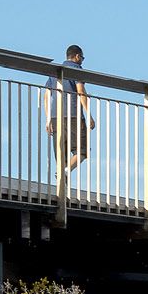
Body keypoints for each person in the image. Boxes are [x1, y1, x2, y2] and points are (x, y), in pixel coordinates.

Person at [46, 44, 91, 192]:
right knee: (82, 151)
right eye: (82, 58)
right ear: (77, 56)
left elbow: (47, 95)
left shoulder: (54, 72)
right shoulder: (76, 69)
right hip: (73, 115)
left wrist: (48, 119)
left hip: (55, 116)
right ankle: (64, 172)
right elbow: (80, 91)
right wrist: (89, 114)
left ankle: (61, 186)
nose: (82, 61)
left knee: (60, 153)